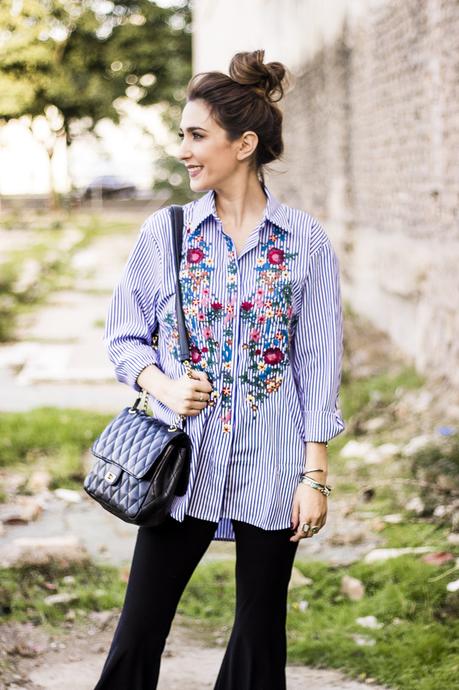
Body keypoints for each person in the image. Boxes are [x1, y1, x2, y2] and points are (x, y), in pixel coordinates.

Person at [93, 48, 345, 690]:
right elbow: (124, 337)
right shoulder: (167, 233)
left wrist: (314, 476)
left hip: (272, 464)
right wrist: (164, 386)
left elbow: (315, 366)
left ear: (245, 144)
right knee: (139, 629)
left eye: (196, 135)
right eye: (183, 135)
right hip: (182, 466)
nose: (183, 149)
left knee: (261, 636)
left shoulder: (305, 244)